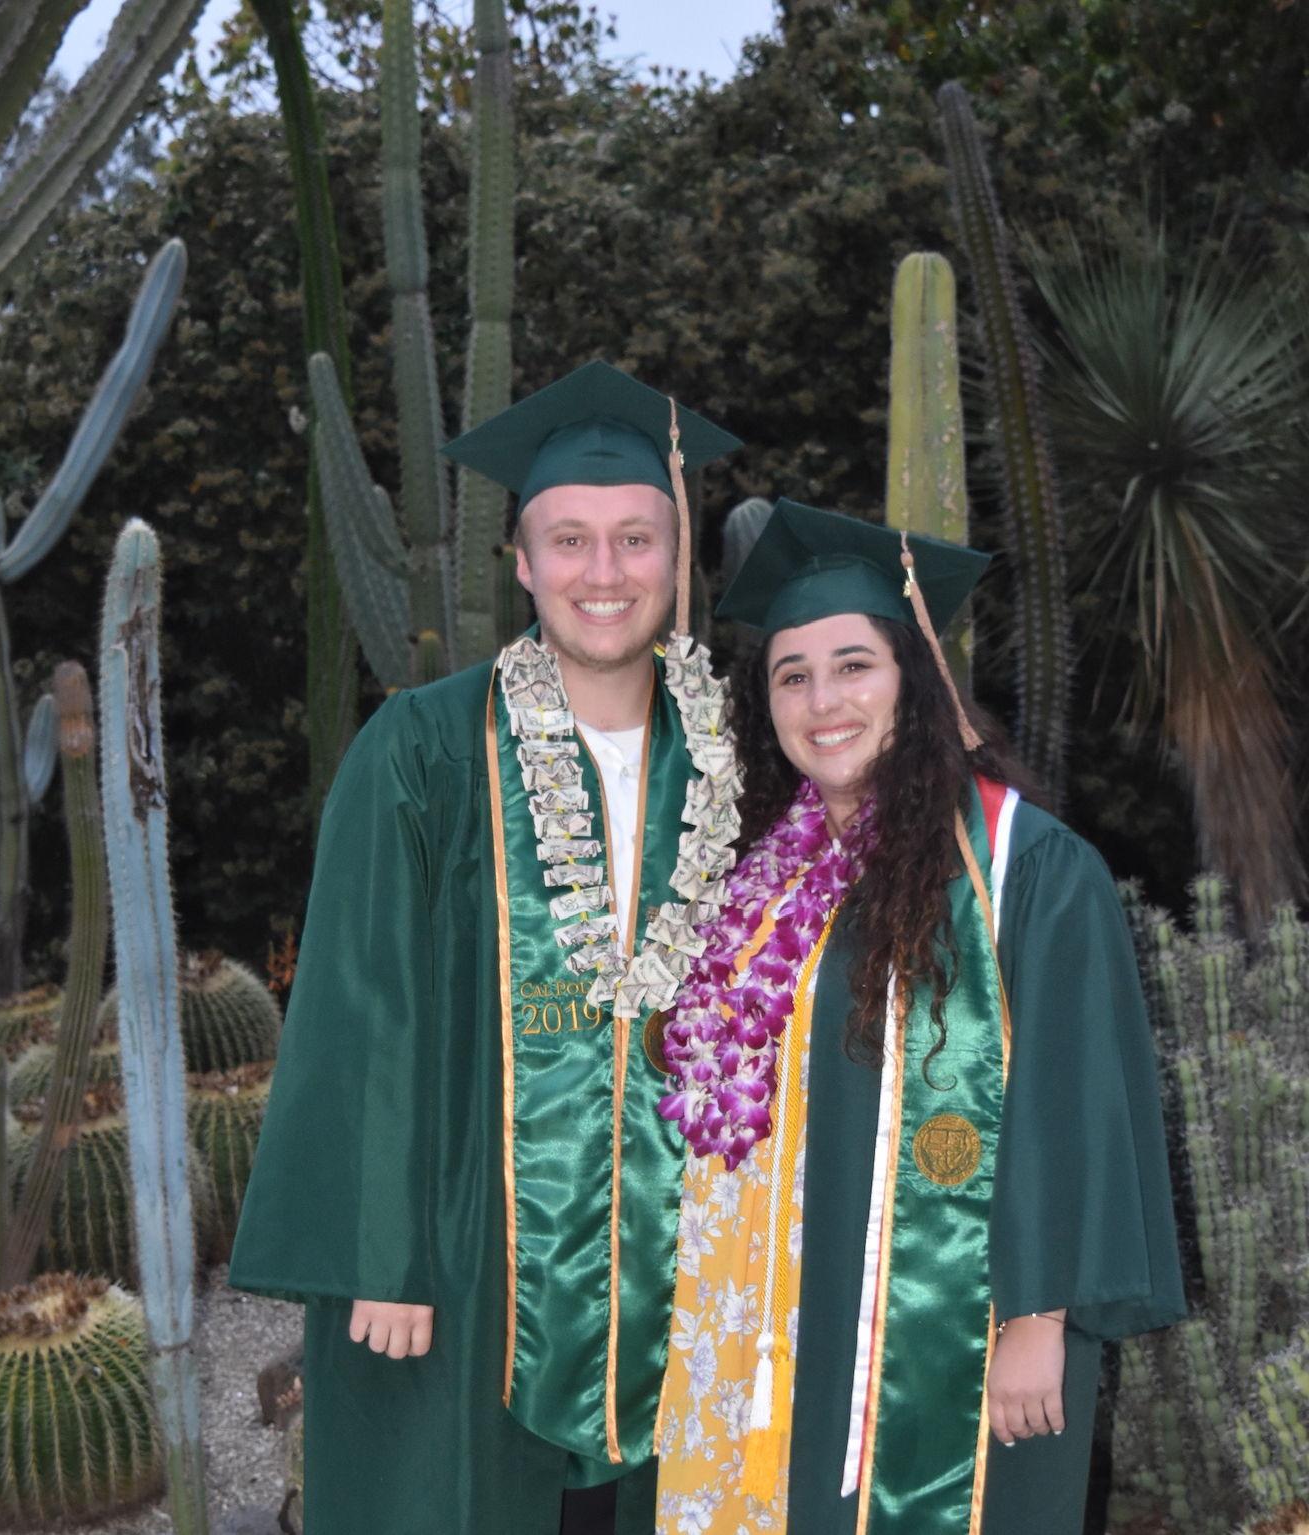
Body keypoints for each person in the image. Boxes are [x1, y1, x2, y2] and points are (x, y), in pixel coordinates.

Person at [229, 361, 743, 1534]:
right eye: (569, 540)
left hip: (679, 1260)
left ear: (677, 562)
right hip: (465, 1252)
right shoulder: (423, 749)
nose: (603, 572)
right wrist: (382, 1255)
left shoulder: (724, 759)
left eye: (635, 539)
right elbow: (360, 1003)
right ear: (520, 562)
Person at [652, 500, 1184, 1535]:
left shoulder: (1025, 868)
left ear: (916, 676)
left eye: (854, 665)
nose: (823, 700)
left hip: (972, 1325)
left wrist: (1037, 1317)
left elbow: (1077, 1103)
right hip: (790, 1314)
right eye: (792, 675)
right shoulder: (766, 884)